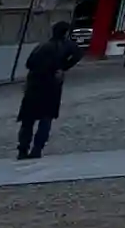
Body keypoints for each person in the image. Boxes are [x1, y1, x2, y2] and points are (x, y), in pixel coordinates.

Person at [16, 22, 82, 160]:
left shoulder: (41, 46)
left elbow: (29, 63)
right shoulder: (66, 46)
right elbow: (78, 54)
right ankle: (37, 149)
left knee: (28, 120)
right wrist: (64, 67)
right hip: (51, 86)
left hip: (34, 85)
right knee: (46, 118)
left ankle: (23, 149)